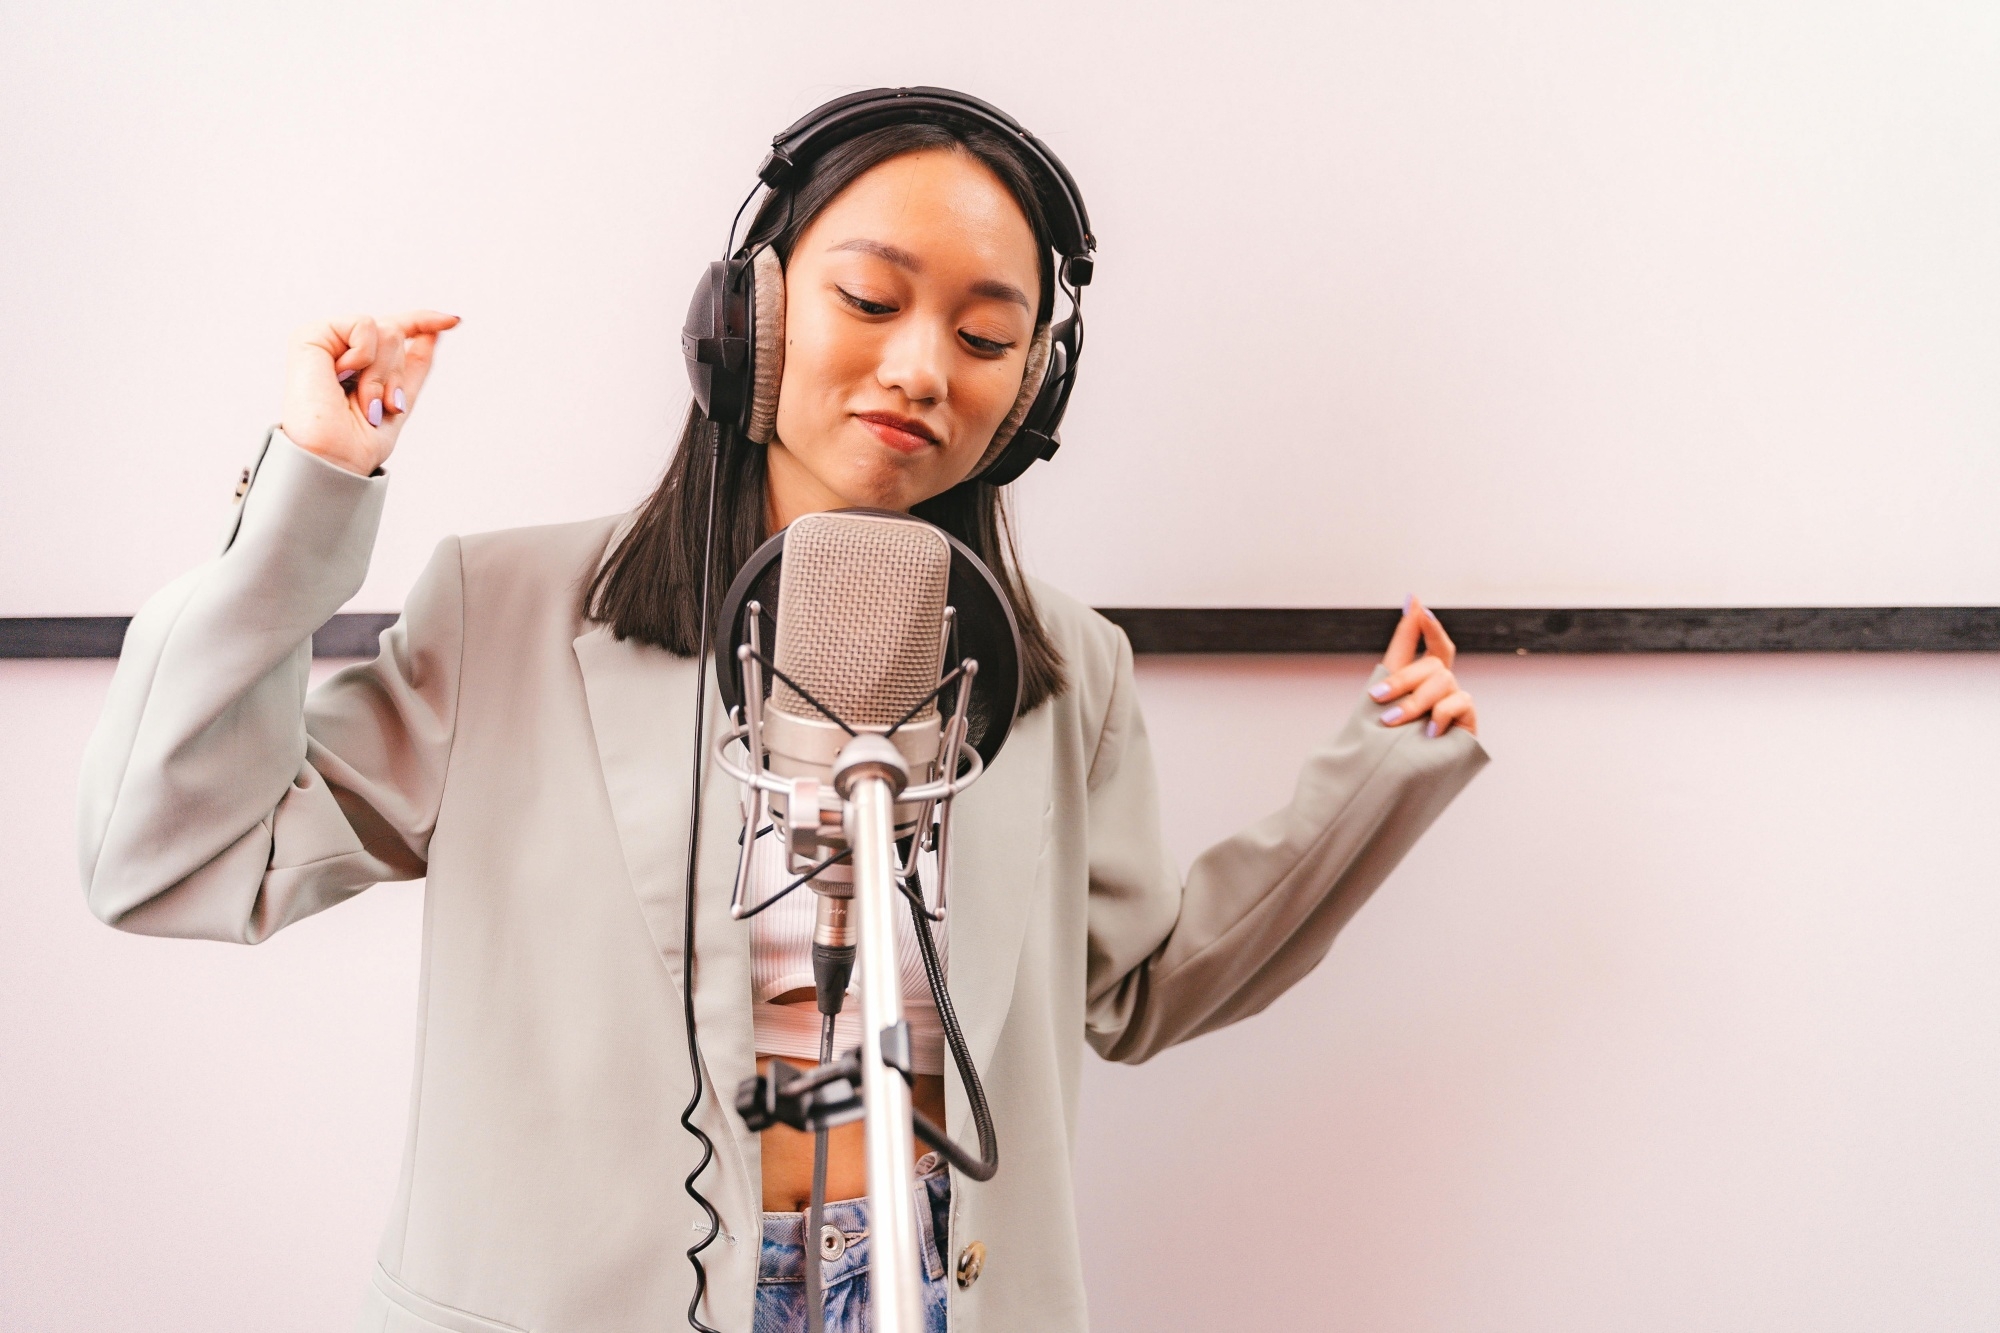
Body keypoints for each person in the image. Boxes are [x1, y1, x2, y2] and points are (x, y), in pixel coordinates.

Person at [78, 90, 1487, 1333]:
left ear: (1032, 390)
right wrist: (308, 498)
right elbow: (171, 856)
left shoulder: (1064, 665)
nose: (923, 367)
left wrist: (1382, 770)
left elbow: (1134, 988)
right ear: (747, 319)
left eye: (987, 335)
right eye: (870, 301)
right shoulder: (504, 611)